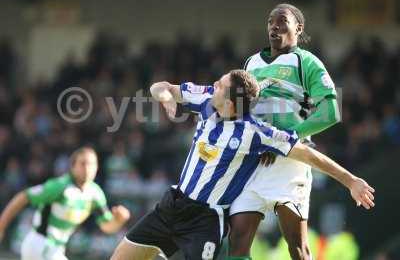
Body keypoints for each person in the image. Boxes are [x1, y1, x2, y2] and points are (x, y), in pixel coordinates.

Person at [110, 69, 374, 260]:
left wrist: (350, 180)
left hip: (205, 220)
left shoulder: (254, 132)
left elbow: (307, 154)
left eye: (221, 85)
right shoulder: (205, 99)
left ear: (231, 103)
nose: (214, 83)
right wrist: (165, 96)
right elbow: (161, 86)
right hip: (172, 205)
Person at [228, 3, 342, 260]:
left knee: (297, 248)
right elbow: (241, 109)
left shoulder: (306, 62)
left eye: (282, 21)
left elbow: (331, 111)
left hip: (290, 161)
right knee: (237, 242)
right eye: (270, 21)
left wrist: (283, 138)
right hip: (255, 160)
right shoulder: (251, 62)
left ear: (298, 28)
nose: (274, 26)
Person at [0, 146, 130, 260]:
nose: (87, 168)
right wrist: (1, 225)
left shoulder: (95, 194)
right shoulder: (60, 186)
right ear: (73, 166)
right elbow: (24, 196)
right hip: (40, 244)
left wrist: (119, 220)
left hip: (55, 249)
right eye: (83, 163)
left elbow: (106, 226)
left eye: (91, 164)